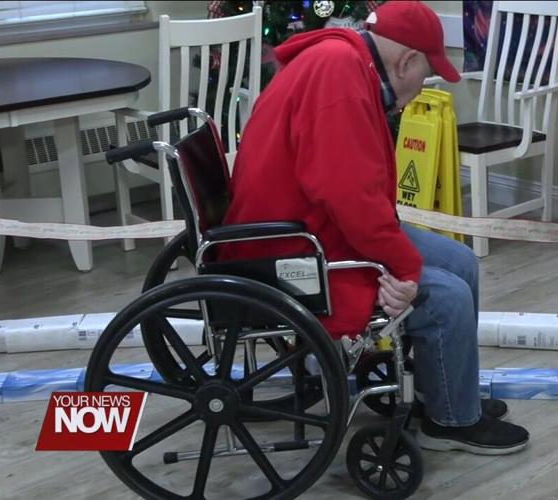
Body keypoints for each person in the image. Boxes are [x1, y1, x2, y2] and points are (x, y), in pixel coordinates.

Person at [220, 1, 529, 455]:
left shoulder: (346, 61)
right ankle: (450, 421)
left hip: (307, 224)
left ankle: (439, 390)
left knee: (460, 260)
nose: (418, 89)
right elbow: (349, 193)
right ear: (405, 61)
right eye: (424, 76)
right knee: (446, 298)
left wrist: (400, 253)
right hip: (292, 248)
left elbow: (353, 193)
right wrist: (404, 268)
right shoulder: (341, 77)